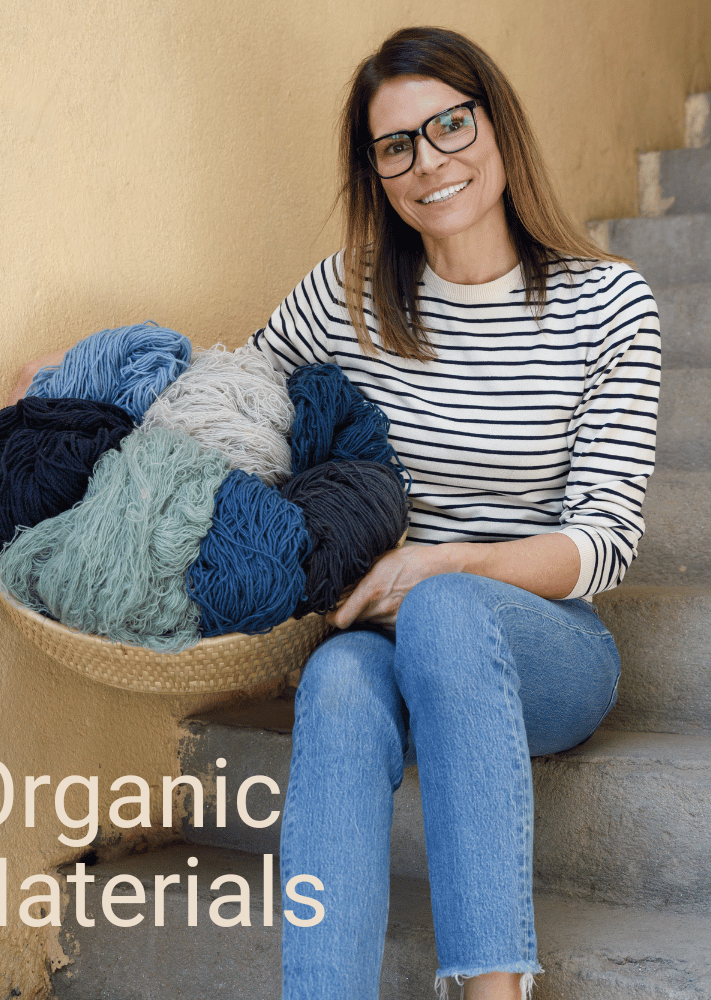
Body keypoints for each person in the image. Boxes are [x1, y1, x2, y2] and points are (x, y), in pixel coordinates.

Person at [249, 26, 660, 1000]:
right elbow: (239, 397)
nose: (428, 161)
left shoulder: (608, 306)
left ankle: (493, 985)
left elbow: (602, 540)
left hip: (547, 645)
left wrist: (440, 567)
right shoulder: (346, 296)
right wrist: (85, 396)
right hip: (391, 634)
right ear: (376, 172)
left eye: (449, 125)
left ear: (497, 127)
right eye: (396, 145)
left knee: (442, 606)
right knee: (340, 679)